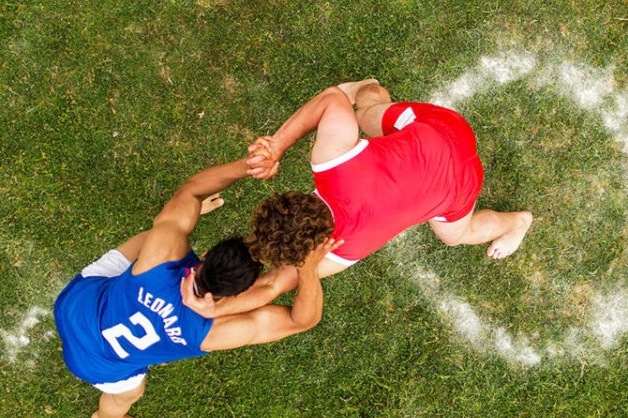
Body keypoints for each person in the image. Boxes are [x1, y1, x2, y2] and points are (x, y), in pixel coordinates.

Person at [53, 157, 341, 418]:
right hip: (94, 364)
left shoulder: (164, 253)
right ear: (239, 293)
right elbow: (301, 321)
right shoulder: (211, 333)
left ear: (206, 256)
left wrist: (247, 167)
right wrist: (308, 268)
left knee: (160, 234)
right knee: (129, 393)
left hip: (74, 306)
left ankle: (182, 217)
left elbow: (191, 189)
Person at [184, 79, 531, 314]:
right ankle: (368, 86)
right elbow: (333, 98)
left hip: (460, 185)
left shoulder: (344, 250)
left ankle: (518, 222)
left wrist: (217, 307)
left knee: (456, 236)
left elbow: (273, 285)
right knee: (365, 113)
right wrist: (277, 145)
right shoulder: (331, 161)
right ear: (288, 197)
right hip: (445, 128)